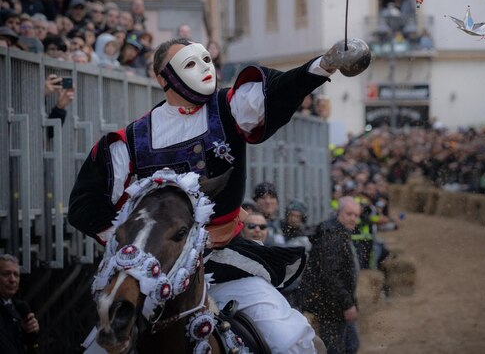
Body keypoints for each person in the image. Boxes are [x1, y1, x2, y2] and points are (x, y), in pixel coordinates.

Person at [68, 36, 369, 353]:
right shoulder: (131, 141)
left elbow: (276, 92)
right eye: (189, 63)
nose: (203, 69)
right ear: (162, 78)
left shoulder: (228, 108)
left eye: (205, 60)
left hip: (225, 263)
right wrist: (134, 243)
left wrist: (324, 64)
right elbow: (84, 205)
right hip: (152, 276)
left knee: (288, 338)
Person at [300, 196, 361, 354]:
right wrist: (347, 304)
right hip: (331, 305)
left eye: (356, 215)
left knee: (351, 344)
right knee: (337, 348)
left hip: (336, 303)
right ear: (338, 213)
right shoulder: (332, 234)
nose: (353, 218)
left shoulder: (339, 232)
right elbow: (330, 275)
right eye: (349, 214)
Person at [0, 254, 40, 354]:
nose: (12, 280)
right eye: (6, 274)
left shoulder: (20, 308)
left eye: (16, 275)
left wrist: (30, 334)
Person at [253, 181, 285, 246]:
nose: (268, 201)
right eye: (263, 198)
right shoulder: (249, 225)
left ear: (277, 201)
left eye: (272, 197)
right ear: (256, 201)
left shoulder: (284, 225)